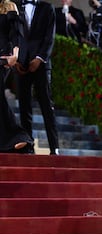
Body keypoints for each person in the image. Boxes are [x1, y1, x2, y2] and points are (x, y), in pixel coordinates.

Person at [15, 0, 59, 155]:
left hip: (41, 64)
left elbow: (50, 36)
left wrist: (40, 58)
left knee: (47, 106)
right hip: (21, 64)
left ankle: (54, 148)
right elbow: (13, 35)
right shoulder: (14, 7)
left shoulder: (47, 8)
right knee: (24, 107)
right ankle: (28, 146)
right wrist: (17, 59)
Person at [0, 0, 33, 153]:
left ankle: (19, 136)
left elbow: (16, 31)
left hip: (4, 58)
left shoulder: (9, 6)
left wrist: (15, 53)